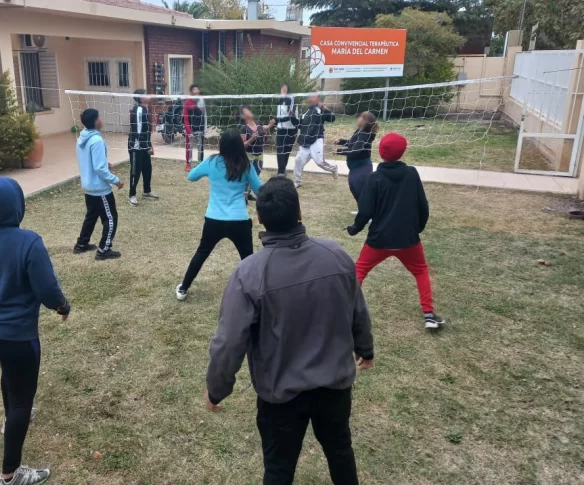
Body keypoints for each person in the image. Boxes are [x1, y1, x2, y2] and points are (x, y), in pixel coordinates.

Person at [205, 176, 374, 485]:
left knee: (280, 469)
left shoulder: (249, 273)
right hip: (334, 387)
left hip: (280, 396)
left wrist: (217, 389)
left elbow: (229, 342)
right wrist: (365, 347)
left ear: (259, 218)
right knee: (340, 451)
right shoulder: (335, 254)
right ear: (300, 211)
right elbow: (357, 307)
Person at [0, 177, 70, 485]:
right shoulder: (28, 241)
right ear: (18, 206)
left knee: (10, 371)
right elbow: (48, 292)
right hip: (17, 337)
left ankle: (11, 420)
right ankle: (10, 474)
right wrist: (63, 307)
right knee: (22, 399)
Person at [347, 132, 446, 330]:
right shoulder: (411, 173)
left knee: (360, 269)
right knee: (421, 271)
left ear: (381, 152)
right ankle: (428, 314)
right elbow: (423, 206)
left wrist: (354, 228)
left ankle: (344, 312)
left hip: (379, 239)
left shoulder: (375, 179)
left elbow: (365, 211)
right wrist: (417, 228)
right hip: (407, 239)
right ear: (403, 151)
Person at [176, 129, 262, 301]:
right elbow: (260, 189)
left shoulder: (212, 161)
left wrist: (207, 168)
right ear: (239, 145)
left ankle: (183, 288)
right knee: (248, 259)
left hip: (214, 220)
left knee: (202, 253)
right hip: (239, 221)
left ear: (221, 145)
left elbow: (191, 177)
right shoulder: (245, 164)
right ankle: (257, 294)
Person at [73, 108, 123, 260]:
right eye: (100, 117)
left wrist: (104, 163)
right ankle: (103, 250)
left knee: (91, 216)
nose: (102, 119)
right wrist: (116, 181)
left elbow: (92, 162)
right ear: (96, 121)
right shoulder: (96, 140)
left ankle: (81, 244)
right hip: (99, 189)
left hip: (88, 186)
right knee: (111, 218)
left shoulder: (82, 137)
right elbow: (99, 168)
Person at [335, 111, 379, 211]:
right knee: (355, 188)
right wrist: (341, 141)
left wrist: (339, 151)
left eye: (361, 117)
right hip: (356, 167)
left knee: (361, 190)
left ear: (365, 122)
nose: (358, 118)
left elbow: (355, 150)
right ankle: (362, 209)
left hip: (362, 167)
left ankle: (369, 212)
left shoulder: (365, 134)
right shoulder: (359, 131)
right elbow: (352, 144)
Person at [294, 94, 339, 188]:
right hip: (305, 140)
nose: (310, 99)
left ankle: (333, 169)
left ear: (318, 99)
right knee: (298, 160)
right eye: (310, 97)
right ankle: (297, 181)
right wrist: (291, 117)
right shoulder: (306, 112)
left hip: (317, 139)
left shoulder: (320, 110)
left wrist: (324, 108)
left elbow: (332, 119)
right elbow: (299, 125)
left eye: (313, 97)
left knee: (319, 162)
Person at [128, 88, 159, 207]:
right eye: (146, 94)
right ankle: (132, 195)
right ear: (140, 98)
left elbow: (146, 132)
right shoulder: (139, 110)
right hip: (136, 146)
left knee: (147, 168)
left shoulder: (144, 109)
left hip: (144, 145)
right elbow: (138, 132)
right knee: (136, 170)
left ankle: (147, 191)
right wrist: (147, 147)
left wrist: (149, 145)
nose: (148, 96)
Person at [239, 105, 275, 200]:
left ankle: (249, 193)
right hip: (249, 156)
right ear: (243, 116)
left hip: (259, 155)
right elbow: (242, 145)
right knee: (247, 176)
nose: (249, 111)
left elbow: (265, 128)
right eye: (246, 111)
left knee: (256, 175)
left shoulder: (258, 123)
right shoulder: (243, 128)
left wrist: (270, 125)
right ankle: (244, 196)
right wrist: (251, 139)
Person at [275, 83, 298, 176]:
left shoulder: (292, 99)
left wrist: (277, 120)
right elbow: (279, 115)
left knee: (286, 151)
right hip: (280, 129)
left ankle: (282, 170)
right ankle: (281, 172)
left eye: (285, 88)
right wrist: (276, 123)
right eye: (282, 88)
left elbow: (290, 116)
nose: (283, 90)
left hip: (291, 130)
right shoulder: (279, 100)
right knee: (280, 150)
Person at [183, 84, 205, 172]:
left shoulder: (202, 101)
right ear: (191, 92)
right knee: (189, 147)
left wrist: (205, 127)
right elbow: (185, 117)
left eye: (197, 89)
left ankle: (200, 163)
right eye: (194, 90)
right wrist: (188, 130)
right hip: (191, 129)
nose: (196, 91)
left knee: (200, 147)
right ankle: (189, 163)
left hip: (200, 128)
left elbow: (205, 115)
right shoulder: (187, 102)